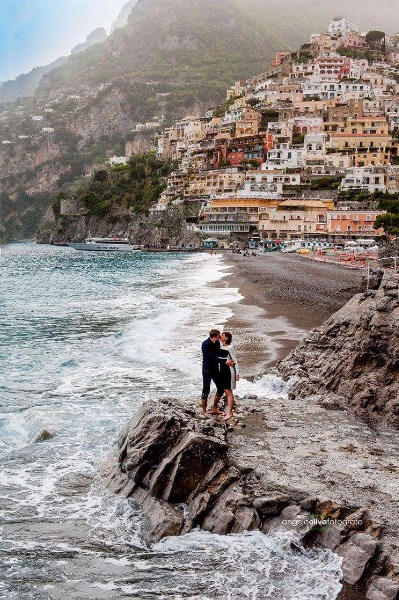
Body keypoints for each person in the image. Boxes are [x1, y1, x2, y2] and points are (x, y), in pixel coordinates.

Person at [201, 329, 234, 416]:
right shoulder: (205, 344)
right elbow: (211, 357)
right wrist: (225, 362)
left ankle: (214, 408)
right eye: (219, 335)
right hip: (207, 370)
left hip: (215, 369)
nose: (220, 337)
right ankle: (204, 411)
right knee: (206, 389)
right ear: (215, 336)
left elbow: (218, 353)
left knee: (220, 388)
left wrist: (229, 351)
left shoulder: (217, 343)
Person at [218, 331, 239, 421]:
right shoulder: (221, 346)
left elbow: (235, 361)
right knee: (226, 391)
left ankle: (229, 412)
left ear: (226, 338)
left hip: (229, 371)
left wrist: (237, 373)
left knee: (228, 391)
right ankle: (229, 411)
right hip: (222, 370)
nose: (220, 336)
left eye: (222, 335)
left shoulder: (230, 348)